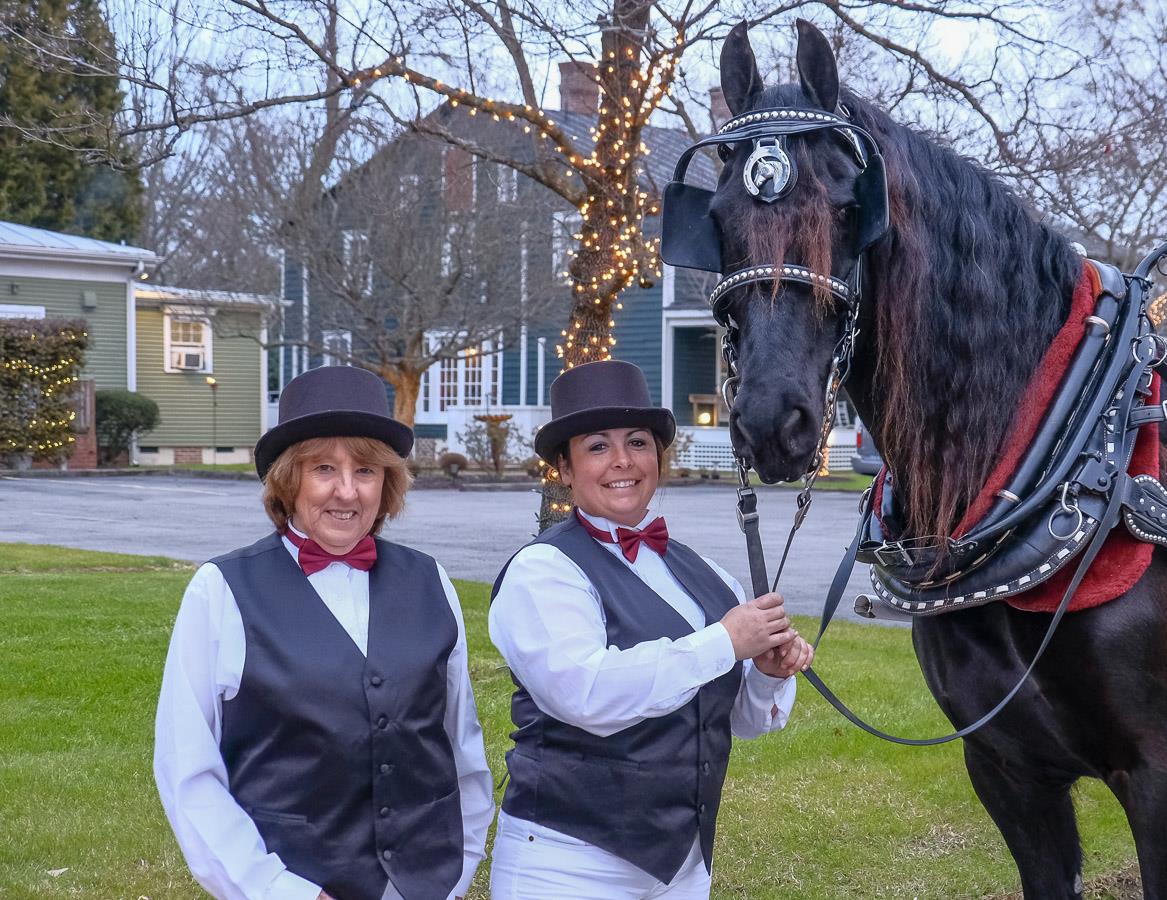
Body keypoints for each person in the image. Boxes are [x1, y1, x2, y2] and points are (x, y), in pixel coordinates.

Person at [154, 365, 494, 900]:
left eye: (365, 471)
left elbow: (460, 749)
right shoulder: (220, 590)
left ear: (387, 483)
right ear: (289, 480)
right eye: (324, 469)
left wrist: (456, 871)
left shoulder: (431, 581)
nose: (347, 492)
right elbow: (188, 771)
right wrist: (279, 891)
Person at [488, 359, 814, 899]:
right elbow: (586, 693)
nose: (623, 461)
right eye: (597, 446)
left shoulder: (708, 575)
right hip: (566, 863)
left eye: (638, 443)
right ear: (565, 471)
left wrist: (765, 673)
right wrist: (723, 643)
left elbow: (741, 721)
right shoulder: (542, 570)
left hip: (683, 864)